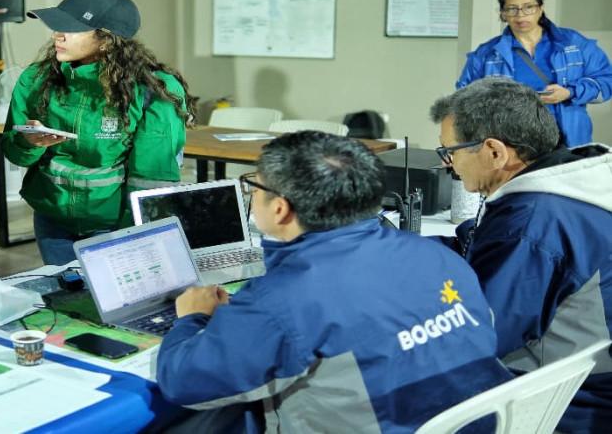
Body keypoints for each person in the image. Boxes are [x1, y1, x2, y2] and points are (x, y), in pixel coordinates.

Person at [155, 131, 511, 432]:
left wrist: (192, 318)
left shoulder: (285, 299)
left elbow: (184, 380)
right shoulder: (438, 256)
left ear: (280, 208)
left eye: (254, 186)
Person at [430, 77, 612, 433]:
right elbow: (485, 246)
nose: (449, 164)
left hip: (567, 400)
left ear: (495, 152)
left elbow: (482, 335)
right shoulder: (576, 181)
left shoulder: (532, 222)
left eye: (449, 151)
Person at [2, 0, 195, 265]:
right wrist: (28, 142)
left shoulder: (153, 90)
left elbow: (152, 178)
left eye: (71, 28)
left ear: (106, 41)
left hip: (115, 228)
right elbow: (14, 153)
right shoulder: (36, 79)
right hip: (52, 224)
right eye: (57, 26)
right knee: (66, 304)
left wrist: (134, 239)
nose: (58, 34)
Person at [457, 0, 612, 147]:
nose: (520, 15)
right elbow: (464, 97)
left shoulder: (572, 43)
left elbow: (606, 81)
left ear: (540, 8)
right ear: (503, 14)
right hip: (511, 143)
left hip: (568, 139)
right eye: (512, 9)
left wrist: (569, 92)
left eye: (528, 7)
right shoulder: (486, 53)